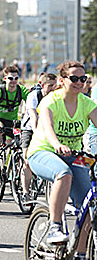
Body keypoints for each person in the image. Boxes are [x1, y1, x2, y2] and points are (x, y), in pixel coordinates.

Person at [27, 61, 96, 259]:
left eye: (82, 78)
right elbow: (48, 129)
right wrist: (57, 144)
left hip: (73, 156)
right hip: (43, 152)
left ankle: (81, 254)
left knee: (90, 205)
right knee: (63, 174)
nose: (79, 82)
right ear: (62, 80)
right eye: (73, 78)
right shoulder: (51, 101)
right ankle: (55, 226)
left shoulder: (87, 103)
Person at [20, 73, 57, 202]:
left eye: (55, 85)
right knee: (27, 160)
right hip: (30, 129)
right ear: (42, 85)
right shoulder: (34, 96)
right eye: (50, 86)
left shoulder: (55, 97)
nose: (53, 88)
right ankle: (25, 192)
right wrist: (37, 134)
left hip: (48, 129)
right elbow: (33, 116)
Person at [0, 66, 29, 167]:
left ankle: (10, 166)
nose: (13, 81)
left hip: (13, 120)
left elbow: (30, 104)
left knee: (15, 142)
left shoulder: (21, 90)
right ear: (5, 79)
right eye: (11, 78)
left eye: (16, 78)